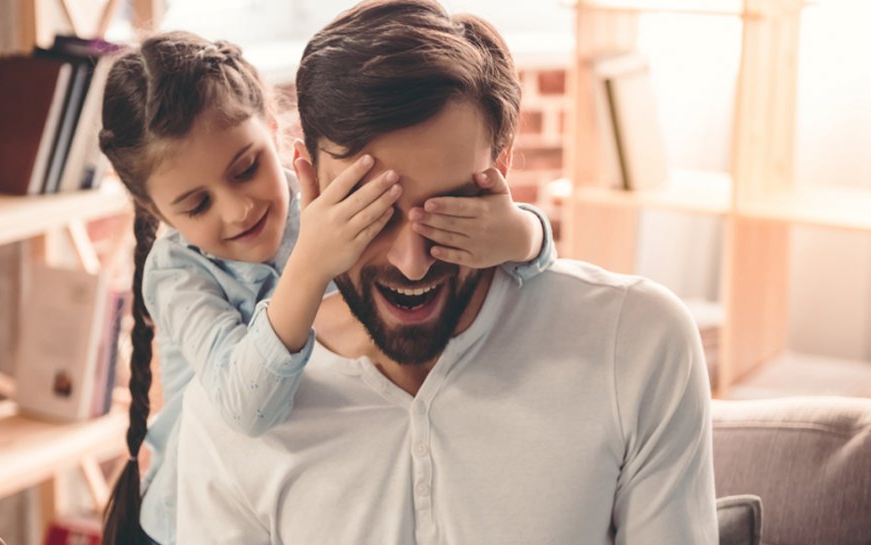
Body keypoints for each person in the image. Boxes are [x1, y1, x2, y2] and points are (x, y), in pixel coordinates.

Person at [174, 0, 717, 545]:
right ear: (310, 184)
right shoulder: (228, 416)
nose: (412, 264)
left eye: (446, 213)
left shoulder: (638, 344)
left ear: (499, 172)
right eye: (371, 214)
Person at [93, 32, 556, 545]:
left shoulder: (320, 198)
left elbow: (521, 265)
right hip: (191, 521)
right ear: (158, 213)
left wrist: (521, 231)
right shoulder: (176, 273)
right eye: (196, 205)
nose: (238, 209)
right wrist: (310, 267)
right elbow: (247, 410)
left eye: (247, 168)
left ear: (273, 130)